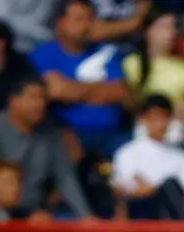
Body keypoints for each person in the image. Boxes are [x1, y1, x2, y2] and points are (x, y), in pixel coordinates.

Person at [0, 76, 92, 218]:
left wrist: (86, 215)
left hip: (35, 214)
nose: (39, 104)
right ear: (13, 100)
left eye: (43, 98)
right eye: (33, 97)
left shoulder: (51, 132)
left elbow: (65, 178)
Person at [30, 0, 129, 159]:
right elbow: (54, 91)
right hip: (66, 133)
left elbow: (120, 92)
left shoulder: (107, 52)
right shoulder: (42, 55)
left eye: (90, 19)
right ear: (61, 23)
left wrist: (71, 88)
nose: (86, 26)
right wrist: (100, 88)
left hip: (113, 134)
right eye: (79, 19)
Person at [111, 95, 184, 219]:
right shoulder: (126, 154)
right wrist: (153, 193)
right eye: (154, 117)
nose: (159, 123)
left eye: (164, 117)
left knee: (170, 186)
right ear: (143, 118)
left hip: (173, 216)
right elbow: (120, 191)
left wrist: (154, 191)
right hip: (140, 216)